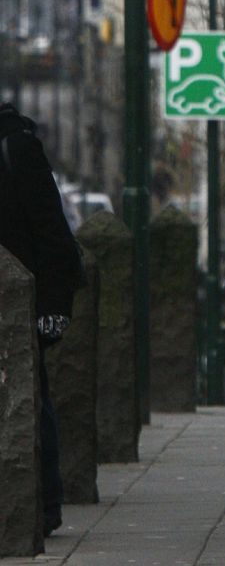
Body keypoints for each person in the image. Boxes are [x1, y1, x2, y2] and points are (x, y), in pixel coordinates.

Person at [0, 100, 86, 538]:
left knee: (29, 399)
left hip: (17, 303)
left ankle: (43, 504)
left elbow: (52, 230)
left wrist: (53, 307)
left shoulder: (15, 146)